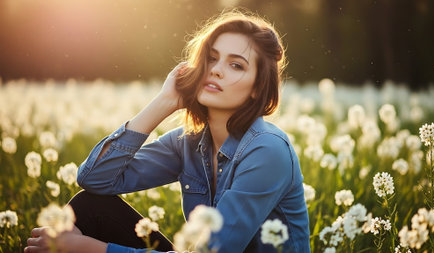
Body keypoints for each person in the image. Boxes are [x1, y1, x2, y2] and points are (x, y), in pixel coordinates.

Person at [25, 10, 310, 253]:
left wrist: (87, 248)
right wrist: (163, 103)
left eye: (236, 65)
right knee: (89, 206)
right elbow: (93, 179)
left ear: (258, 88)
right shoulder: (188, 143)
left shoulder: (267, 150)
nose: (217, 70)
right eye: (211, 58)